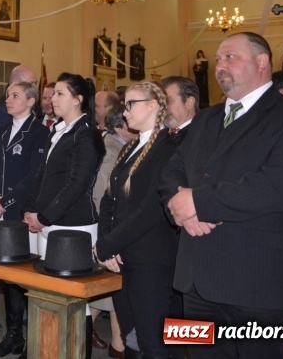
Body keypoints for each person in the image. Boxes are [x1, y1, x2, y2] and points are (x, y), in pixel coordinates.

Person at [160, 32, 283, 358]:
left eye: (230, 57)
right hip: (195, 282)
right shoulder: (206, 118)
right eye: (218, 59)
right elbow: (171, 173)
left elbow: (278, 185)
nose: (220, 66)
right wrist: (178, 208)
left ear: (262, 62)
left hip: (257, 281)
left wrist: (197, 203)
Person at [23, 73, 105, 357]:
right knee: (51, 294)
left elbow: (77, 184)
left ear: (78, 99)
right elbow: (43, 176)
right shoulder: (58, 129)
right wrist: (31, 209)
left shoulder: (87, 134)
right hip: (49, 220)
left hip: (74, 225)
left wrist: (44, 216)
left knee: (74, 301)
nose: (52, 99)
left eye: (59, 94)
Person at [94, 82, 179, 357]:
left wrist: (110, 243)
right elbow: (109, 200)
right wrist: (106, 243)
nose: (124, 110)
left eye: (131, 103)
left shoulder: (168, 148)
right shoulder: (130, 147)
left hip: (149, 257)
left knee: (152, 340)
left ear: (153, 104)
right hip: (122, 255)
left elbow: (150, 209)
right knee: (130, 335)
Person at [0, 82, 49, 358]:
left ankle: (31, 338)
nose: (7, 100)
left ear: (31, 101)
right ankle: (13, 335)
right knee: (9, 277)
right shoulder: (1, 131)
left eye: (14, 96)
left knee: (27, 277)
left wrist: (5, 200)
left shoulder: (40, 133)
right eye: (7, 95)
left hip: (21, 212)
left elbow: (34, 176)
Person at [90, 107, 136, 356]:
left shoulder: (123, 147)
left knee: (108, 293)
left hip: (112, 231)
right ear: (119, 128)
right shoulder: (111, 151)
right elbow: (104, 198)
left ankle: (114, 341)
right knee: (112, 290)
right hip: (109, 230)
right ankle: (118, 345)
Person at [161, 76, 199, 145]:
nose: (164, 107)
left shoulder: (200, 136)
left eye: (169, 101)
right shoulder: (159, 135)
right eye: (162, 102)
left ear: (189, 103)